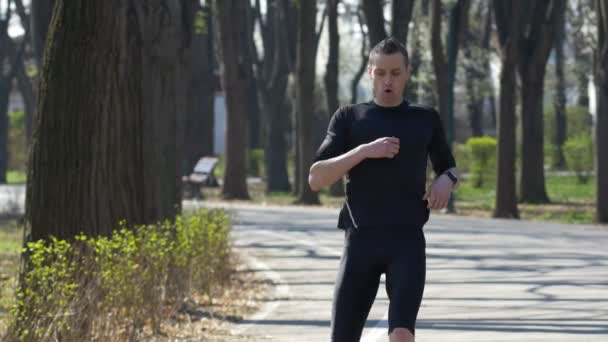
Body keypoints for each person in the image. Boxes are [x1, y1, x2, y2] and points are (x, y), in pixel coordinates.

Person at [308, 37, 459, 342]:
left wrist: (447, 180)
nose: (387, 80)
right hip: (361, 241)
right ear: (370, 73)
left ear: (408, 72)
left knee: (402, 335)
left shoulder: (425, 118)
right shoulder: (349, 118)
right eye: (381, 73)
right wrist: (364, 151)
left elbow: (449, 167)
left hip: (407, 242)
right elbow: (316, 178)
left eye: (395, 73)